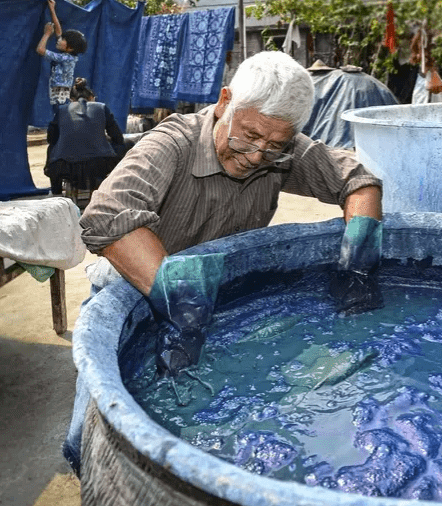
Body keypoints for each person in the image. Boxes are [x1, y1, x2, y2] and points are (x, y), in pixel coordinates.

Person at [62, 51, 384, 475]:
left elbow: (358, 180)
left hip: (209, 294)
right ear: (225, 101)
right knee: (101, 411)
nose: (256, 155)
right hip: (133, 285)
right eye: (248, 136)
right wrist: (184, 306)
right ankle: (80, 457)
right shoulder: (171, 144)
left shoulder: (280, 150)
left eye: (274, 146)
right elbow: (106, 216)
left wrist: (358, 264)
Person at [45, 78, 126, 195]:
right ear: (92, 97)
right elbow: (118, 138)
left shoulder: (62, 110)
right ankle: (117, 188)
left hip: (65, 167)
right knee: (124, 146)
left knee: (52, 148)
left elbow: (51, 139)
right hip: (100, 163)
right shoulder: (102, 107)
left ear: (71, 99)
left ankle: (56, 192)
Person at [35, 0, 87, 111]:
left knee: (60, 116)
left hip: (60, 94)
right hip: (60, 91)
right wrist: (52, 9)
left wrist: (47, 34)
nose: (59, 40)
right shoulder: (68, 54)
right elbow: (59, 32)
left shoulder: (65, 58)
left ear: (70, 47)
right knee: (60, 117)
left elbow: (40, 50)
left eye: (63, 40)